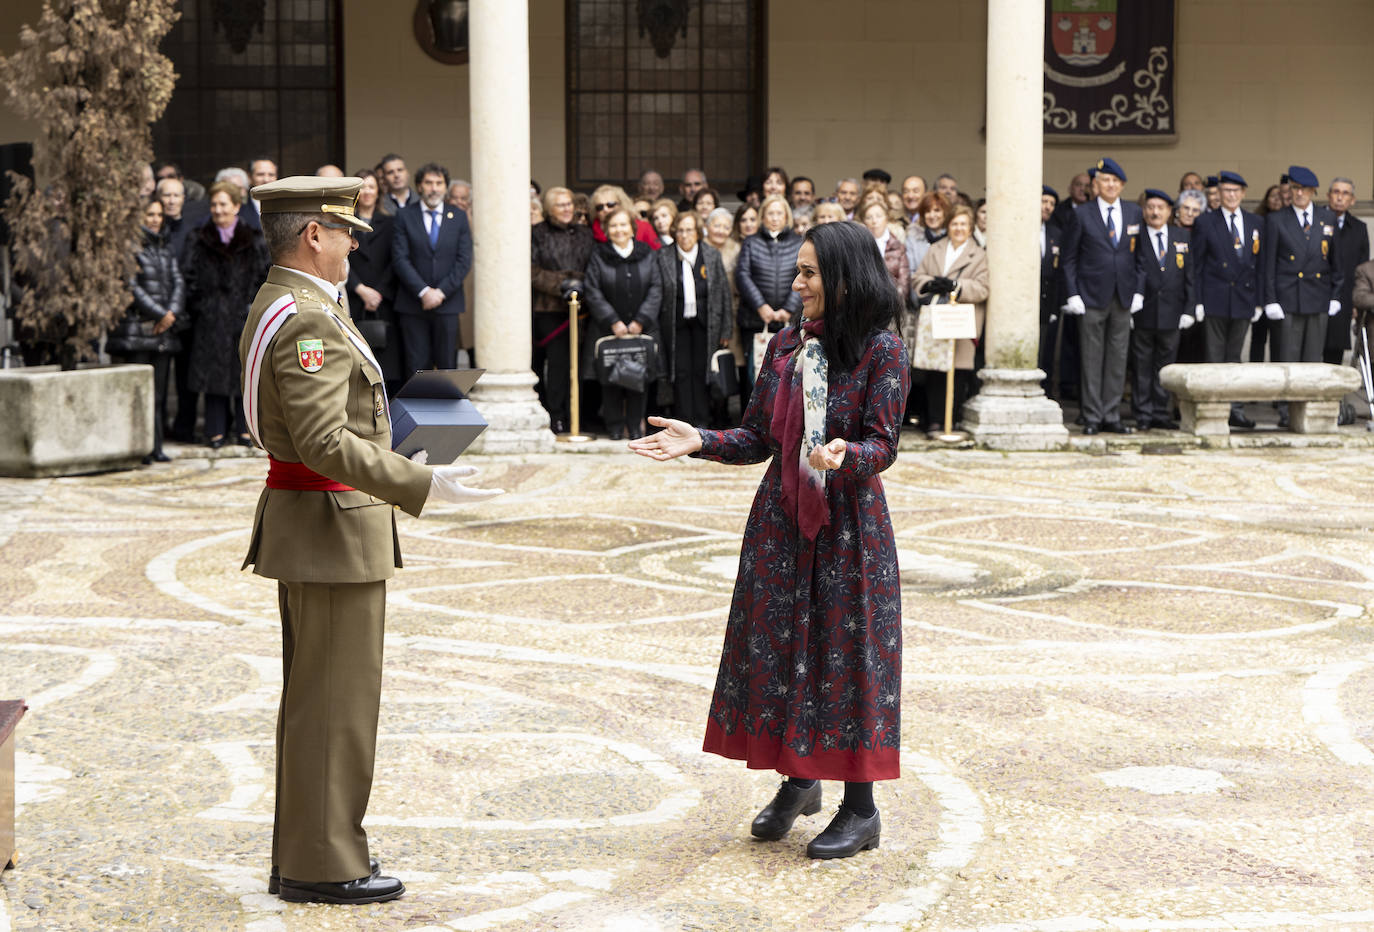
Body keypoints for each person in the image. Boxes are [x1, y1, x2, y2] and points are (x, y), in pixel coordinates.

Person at [239, 175, 500, 906]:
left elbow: (339, 422)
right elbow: (322, 440)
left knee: (322, 701)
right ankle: (322, 863)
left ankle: (308, 848)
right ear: (313, 236)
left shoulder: (297, 304)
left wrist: (411, 445)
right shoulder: (307, 319)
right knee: (335, 707)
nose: (358, 241)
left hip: (325, 527)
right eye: (346, 229)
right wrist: (415, 483)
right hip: (330, 528)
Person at [628, 220, 909, 861]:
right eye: (798, 270)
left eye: (809, 272)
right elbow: (758, 437)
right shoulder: (784, 344)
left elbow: (884, 444)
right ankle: (799, 778)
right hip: (780, 525)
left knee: (844, 653)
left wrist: (848, 454)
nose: (797, 282)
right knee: (784, 649)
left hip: (848, 531)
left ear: (843, 277)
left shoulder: (881, 350)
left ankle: (861, 811)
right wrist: (700, 440)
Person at [182, 180, 270, 448]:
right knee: (213, 376)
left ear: (236, 206)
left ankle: (245, 430)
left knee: (244, 374)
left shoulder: (254, 238)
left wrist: (251, 305)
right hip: (210, 319)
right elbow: (189, 275)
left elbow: (263, 276)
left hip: (244, 317)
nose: (218, 210)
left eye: (223, 204)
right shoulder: (198, 237)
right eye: (214, 204)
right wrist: (204, 305)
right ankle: (215, 430)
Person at [1060, 157, 1144, 435]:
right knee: (1092, 359)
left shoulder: (1134, 213)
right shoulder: (1082, 214)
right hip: (1091, 296)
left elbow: (1140, 257)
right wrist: (1073, 294)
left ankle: (1112, 414)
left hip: (1122, 296)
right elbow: (1069, 258)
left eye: (1115, 181)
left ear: (1121, 185)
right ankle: (1092, 415)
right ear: (1096, 184)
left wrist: (1138, 292)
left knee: (1118, 359)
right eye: (1104, 180)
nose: (1110, 185)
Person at [1262, 164, 1342, 431]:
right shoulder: (1276, 219)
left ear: (1313, 192)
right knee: (1288, 356)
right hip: (1288, 297)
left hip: (1317, 296)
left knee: (1312, 358)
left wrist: (1336, 295)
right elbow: (1268, 264)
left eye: (1304, 190)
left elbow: (1336, 262)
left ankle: (1309, 408)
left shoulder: (1327, 219)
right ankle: (1287, 410)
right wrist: (1270, 299)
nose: (1299, 194)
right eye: (1295, 189)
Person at [107, 198, 184, 463]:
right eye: (149, 214)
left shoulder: (165, 247)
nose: (154, 219)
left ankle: (156, 446)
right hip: (138, 331)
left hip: (162, 331)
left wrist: (170, 314)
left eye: (158, 214)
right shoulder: (129, 247)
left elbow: (178, 281)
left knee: (159, 394)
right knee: (138, 395)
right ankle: (139, 448)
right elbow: (131, 287)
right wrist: (160, 314)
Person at [1190, 170, 1262, 427]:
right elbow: (1196, 264)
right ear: (1218, 194)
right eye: (1226, 191)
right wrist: (1196, 301)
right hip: (1215, 297)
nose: (1231, 196)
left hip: (1243, 298)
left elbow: (1259, 264)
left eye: (1235, 191)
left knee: (1235, 359)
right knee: (1214, 356)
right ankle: (1213, 409)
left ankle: (1236, 409)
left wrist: (1260, 301)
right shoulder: (1206, 222)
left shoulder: (1255, 223)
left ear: (1243, 193)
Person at [583, 206, 662, 440]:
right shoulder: (598, 255)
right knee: (610, 378)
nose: (619, 229)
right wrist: (612, 321)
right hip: (608, 329)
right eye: (614, 225)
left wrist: (641, 320)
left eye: (623, 225)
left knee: (640, 377)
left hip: (641, 329)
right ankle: (615, 427)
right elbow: (593, 290)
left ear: (632, 228)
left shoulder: (647, 253)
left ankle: (636, 427)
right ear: (607, 230)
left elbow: (656, 288)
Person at [391, 162, 474, 376]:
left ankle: (447, 411)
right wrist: (424, 291)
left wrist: (441, 292)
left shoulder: (458, 216)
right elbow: (400, 259)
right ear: (419, 186)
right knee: (415, 367)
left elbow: (464, 260)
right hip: (413, 304)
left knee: (447, 367)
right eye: (428, 183)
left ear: (445, 187)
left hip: (448, 304)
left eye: (439, 183)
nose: (434, 188)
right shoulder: (404, 216)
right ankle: (418, 411)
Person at [912, 204, 988, 432]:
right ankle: (935, 420)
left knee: (958, 373)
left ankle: (952, 420)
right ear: (948, 226)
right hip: (937, 316)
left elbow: (983, 288)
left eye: (963, 224)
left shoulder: (979, 254)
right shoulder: (936, 249)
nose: (958, 228)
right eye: (955, 224)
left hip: (961, 318)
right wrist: (929, 284)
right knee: (935, 372)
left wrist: (957, 285)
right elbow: (917, 277)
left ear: (971, 227)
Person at [655, 210, 730, 428]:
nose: (685, 235)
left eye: (689, 230)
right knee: (680, 372)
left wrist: (726, 330)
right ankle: (682, 421)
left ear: (697, 232)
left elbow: (723, 293)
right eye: (680, 230)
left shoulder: (711, 255)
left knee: (702, 371)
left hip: (707, 325)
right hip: (674, 326)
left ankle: (702, 421)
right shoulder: (663, 256)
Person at [531, 185, 595, 434]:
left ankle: (577, 416)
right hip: (550, 311)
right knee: (556, 367)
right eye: (561, 204)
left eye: (569, 203)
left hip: (582, 310)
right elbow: (532, 271)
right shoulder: (538, 233)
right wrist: (563, 284)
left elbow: (593, 266)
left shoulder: (584, 234)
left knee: (578, 366)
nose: (567, 209)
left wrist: (581, 285)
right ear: (549, 208)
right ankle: (556, 415)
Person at [1131, 189, 1194, 431]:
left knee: (1165, 367)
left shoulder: (1181, 236)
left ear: (1170, 212)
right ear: (1144, 210)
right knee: (1142, 366)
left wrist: (1190, 308)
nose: (1154, 212)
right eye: (1150, 207)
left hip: (1172, 311)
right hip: (1144, 311)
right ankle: (1143, 413)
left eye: (1160, 208)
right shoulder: (1136, 235)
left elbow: (1189, 274)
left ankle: (1161, 411)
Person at [736, 195, 802, 389]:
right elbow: (742, 275)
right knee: (754, 376)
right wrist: (761, 306)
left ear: (786, 216)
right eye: (770, 213)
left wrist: (789, 308)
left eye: (779, 213)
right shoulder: (751, 242)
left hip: (788, 320)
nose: (774, 218)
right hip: (755, 320)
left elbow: (804, 276)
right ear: (762, 216)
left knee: (786, 376)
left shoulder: (798, 242)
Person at [345, 169, 402, 390]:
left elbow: (395, 260)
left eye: (371, 187)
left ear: (379, 191)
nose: (366, 192)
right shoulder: (344, 222)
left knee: (385, 366)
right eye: (362, 187)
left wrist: (378, 291)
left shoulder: (391, 222)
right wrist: (359, 288)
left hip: (383, 300)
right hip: (354, 298)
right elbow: (340, 259)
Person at [1324, 177, 1369, 367]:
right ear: (1328, 196)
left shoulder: (1359, 228)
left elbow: (1362, 269)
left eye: (1345, 193)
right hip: (1314, 293)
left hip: (1344, 297)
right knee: (1309, 347)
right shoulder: (1315, 220)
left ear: (1352, 200)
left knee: (1335, 347)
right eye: (1336, 192)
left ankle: (1331, 394)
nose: (1340, 197)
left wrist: (1356, 302)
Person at [860, 198, 908, 300]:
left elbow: (904, 282)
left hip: (893, 302)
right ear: (864, 221)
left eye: (878, 216)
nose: (874, 221)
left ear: (886, 218)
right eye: (869, 217)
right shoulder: (858, 247)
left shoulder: (898, 246)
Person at [590, 184, 662, 250]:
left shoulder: (644, 228)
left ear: (622, 204)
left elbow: (658, 254)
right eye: (600, 207)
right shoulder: (589, 232)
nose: (605, 209)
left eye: (610, 205)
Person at [905, 191, 950, 283]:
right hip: (921, 293)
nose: (932, 215)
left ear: (945, 213)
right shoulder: (913, 239)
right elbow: (910, 272)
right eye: (928, 211)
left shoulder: (953, 239)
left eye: (937, 210)